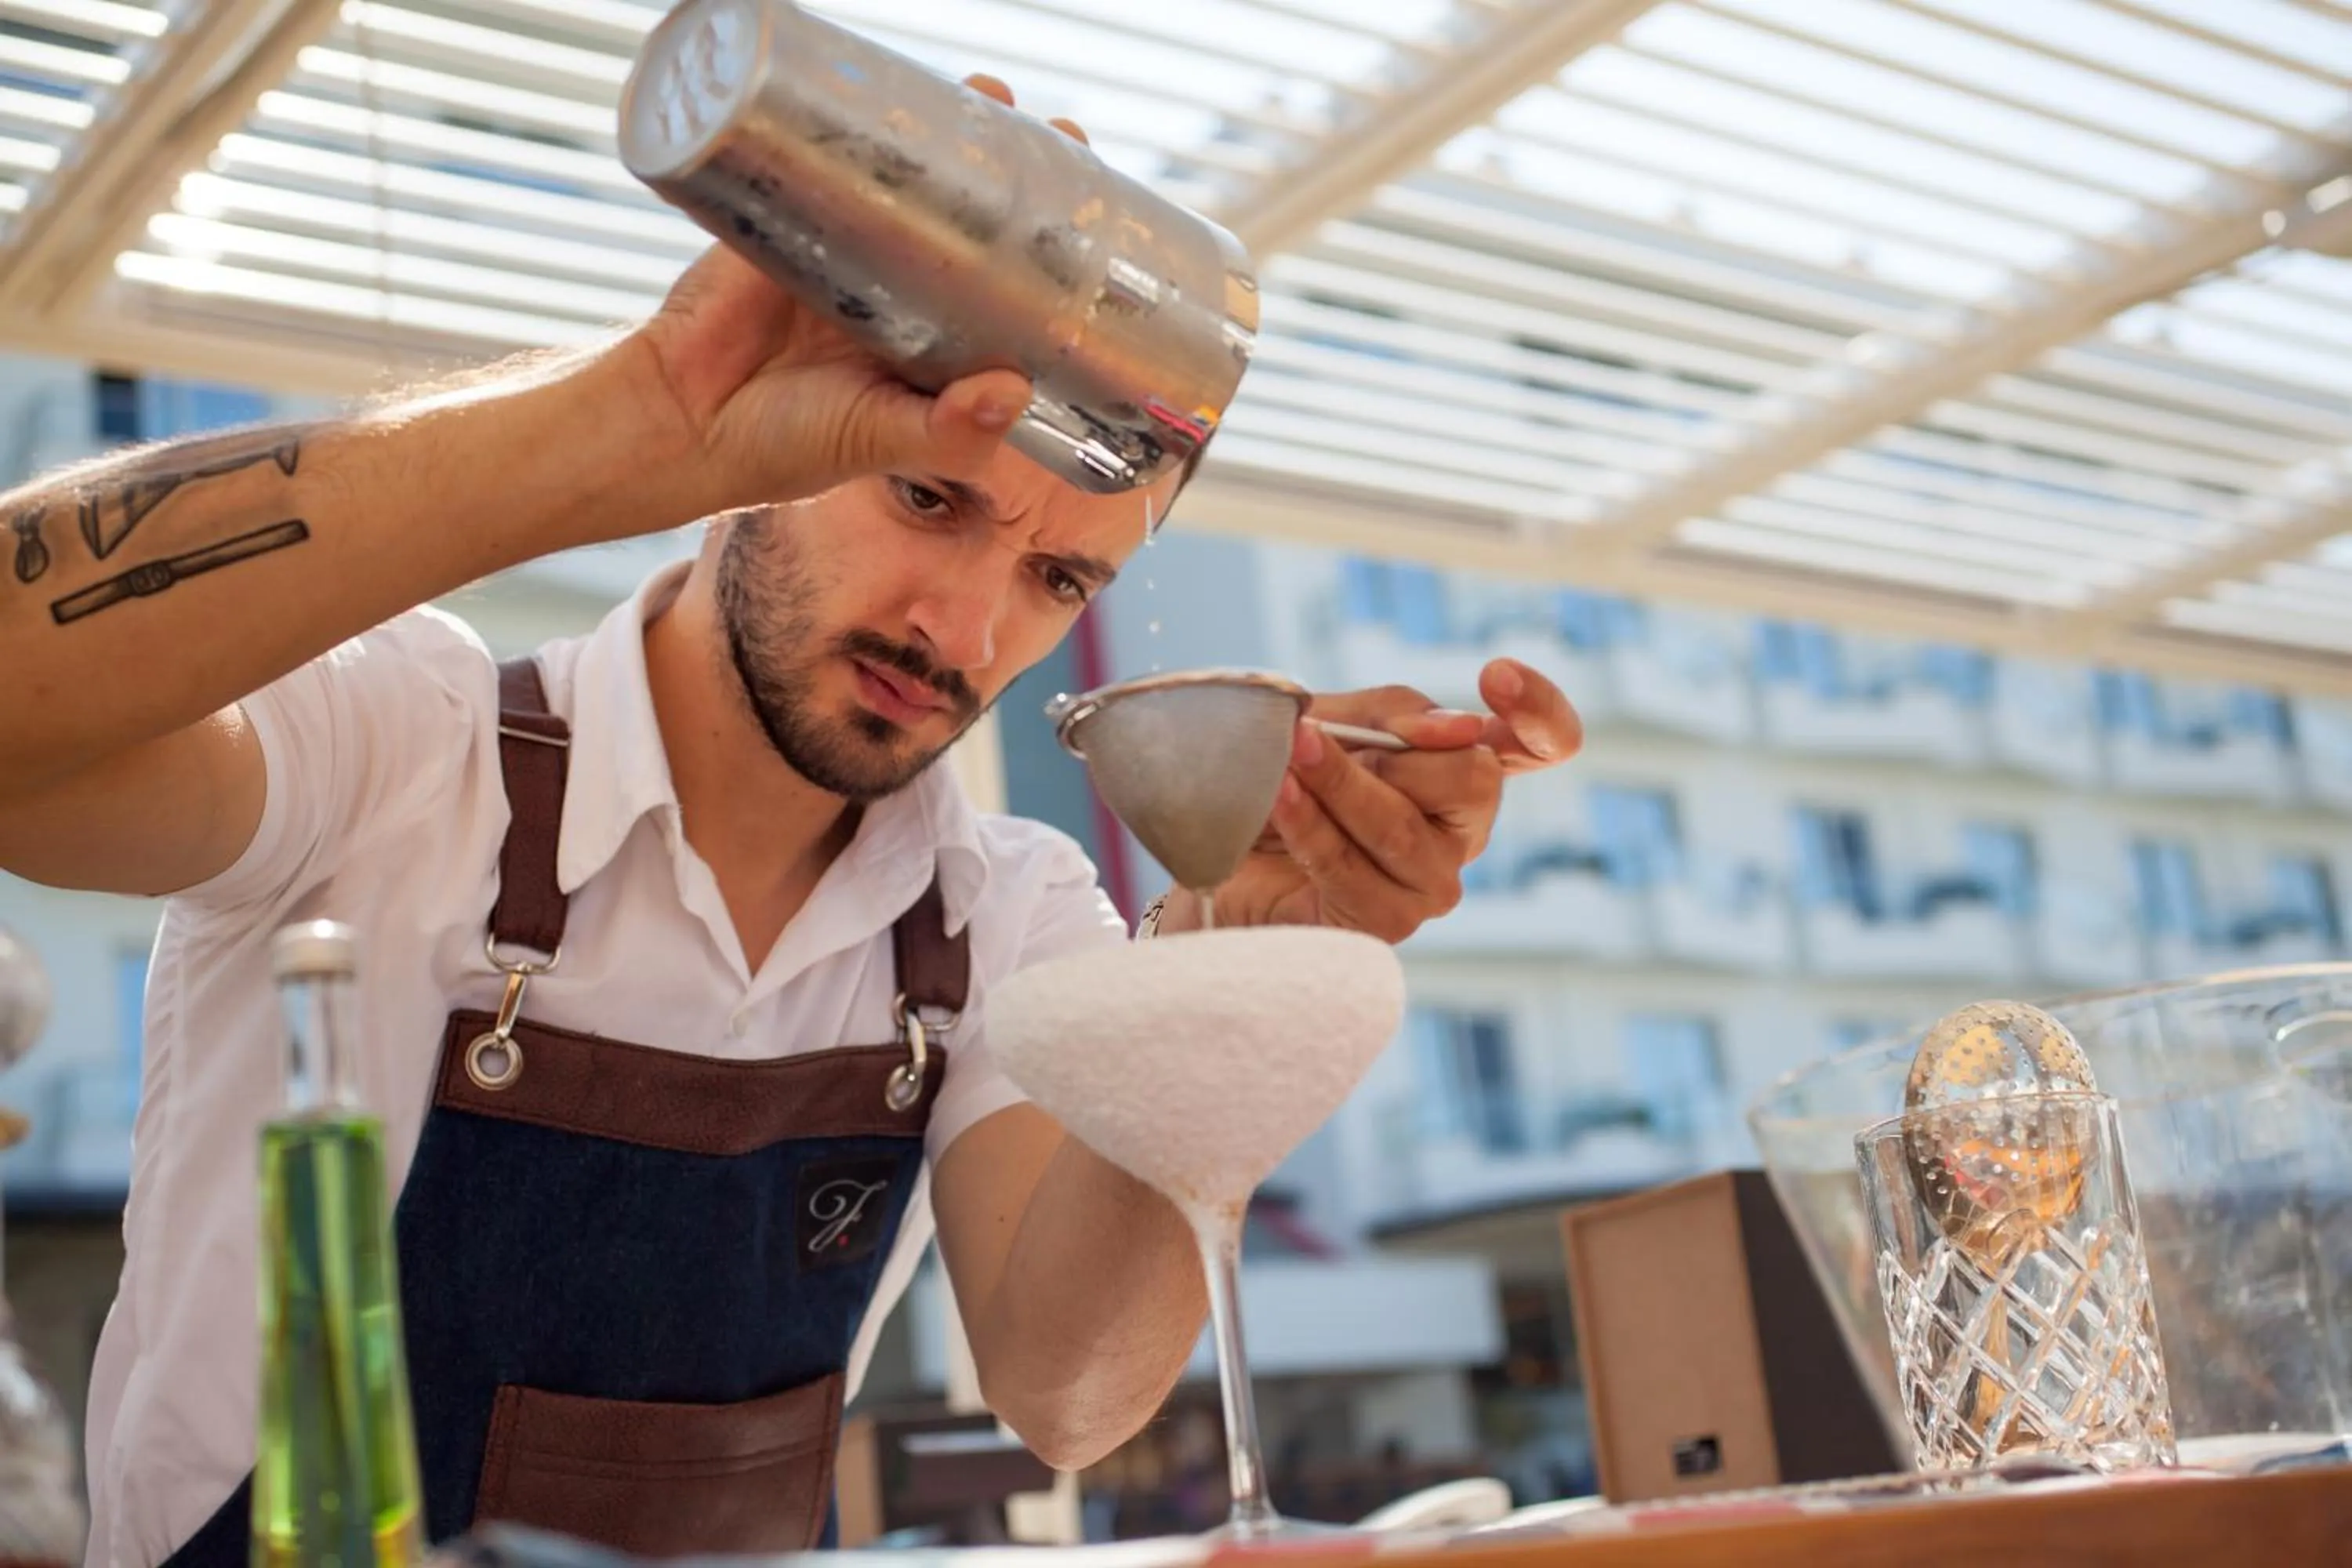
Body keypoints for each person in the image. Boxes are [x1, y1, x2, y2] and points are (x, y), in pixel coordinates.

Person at [0, 77, 1581, 1568]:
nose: (961, 633)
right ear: (779, 423)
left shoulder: (1003, 915)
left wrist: (1230, 962)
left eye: (1057, 579)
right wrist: (624, 417)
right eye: (927, 496)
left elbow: (1069, 1392)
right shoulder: (394, 743)